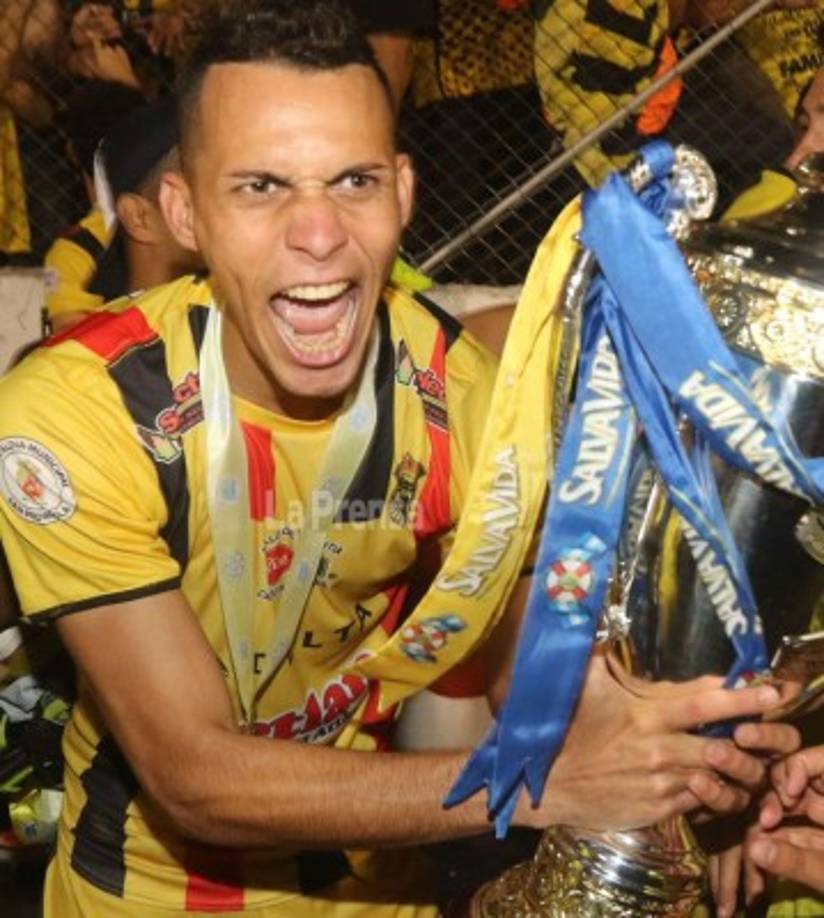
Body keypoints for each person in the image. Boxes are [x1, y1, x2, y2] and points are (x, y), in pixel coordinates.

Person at [0, 2, 798, 915]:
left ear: (404, 194)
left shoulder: (466, 398)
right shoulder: (75, 411)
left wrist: (689, 748)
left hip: (387, 890)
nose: (318, 233)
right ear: (185, 213)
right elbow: (192, 772)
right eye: (261, 187)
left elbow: (529, 670)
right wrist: (540, 784)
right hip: (136, 899)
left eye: (353, 181)